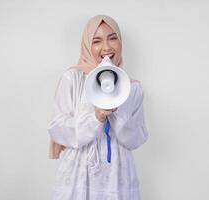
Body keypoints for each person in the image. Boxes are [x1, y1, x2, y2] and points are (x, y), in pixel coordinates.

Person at [47, 15, 149, 200]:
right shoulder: (73, 79)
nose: (107, 48)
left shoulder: (132, 88)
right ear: (87, 45)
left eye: (112, 38)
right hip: (78, 173)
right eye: (97, 41)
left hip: (118, 176)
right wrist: (95, 118)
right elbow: (57, 128)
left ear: (120, 42)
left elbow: (136, 138)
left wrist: (119, 114)